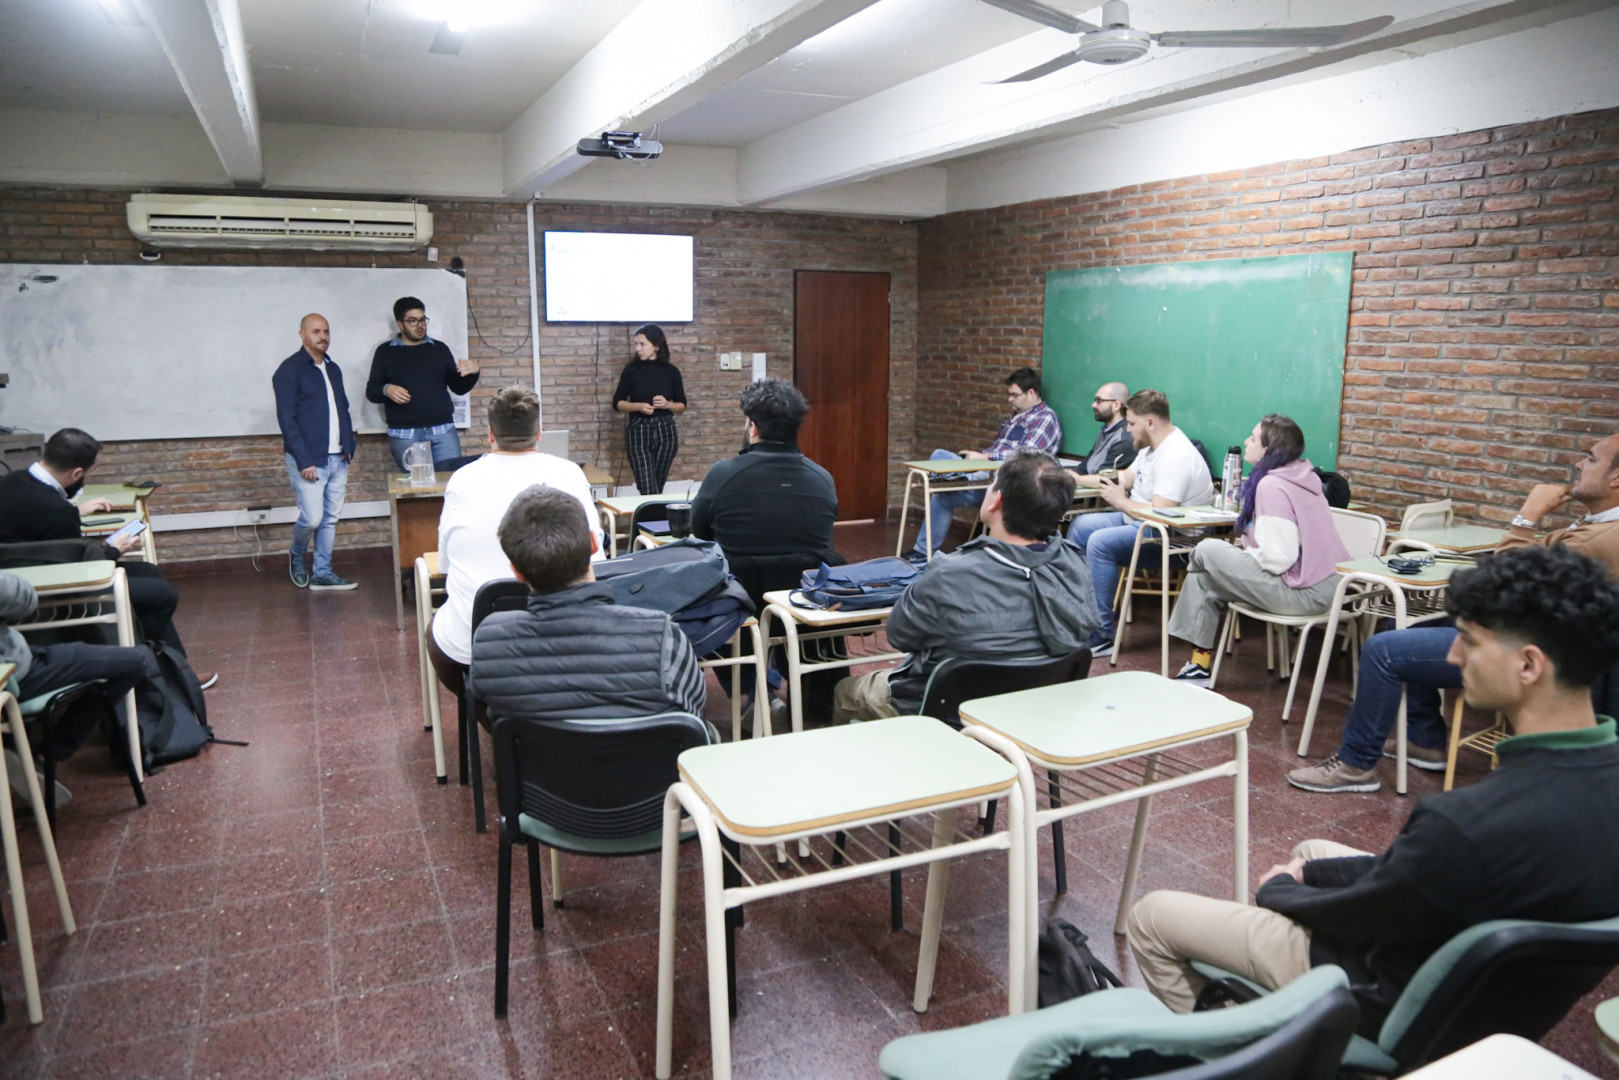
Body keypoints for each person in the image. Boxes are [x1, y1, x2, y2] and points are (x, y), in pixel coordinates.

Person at [1126, 544, 1619, 1038]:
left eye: (1467, 639)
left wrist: (1279, 888)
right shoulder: (1591, 779)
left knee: (1152, 918)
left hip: (1393, 996)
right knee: (1310, 850)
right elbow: (1411, 879)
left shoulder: (1464, 821)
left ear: (1529, 666)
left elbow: (1366, 918)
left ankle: (1254, 1058)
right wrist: (1310, 870)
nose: (1452, 654)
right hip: (1489, 993)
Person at [1288, 430, 1619, 792]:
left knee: (1383, 651)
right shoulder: (1598, 524)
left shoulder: (1600, 540)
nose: (1578, 463)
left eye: (1589, 457)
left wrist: (1527, 516)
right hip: (1527, 631)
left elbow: (1505, 588)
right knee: (1397, 623)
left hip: (1523, 649)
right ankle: (1425, 741)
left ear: (1615, 477)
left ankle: (1354, 764)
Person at [834, 450, 1099, 722]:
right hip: (1031, 713)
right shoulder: (1077, 564)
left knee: (846, 692)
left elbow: (900, 636)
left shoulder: (948, 573)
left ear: (996, 500)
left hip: (943, 713)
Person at [470, 486, 705, 723]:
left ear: (517, 572)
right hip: (642, 759)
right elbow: (693, 713)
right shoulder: (662, 636)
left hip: (542, 759)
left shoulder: (489, 644)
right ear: (594, 544)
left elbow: (492, 715)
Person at [0, 427, 213, 686]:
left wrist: (75, 511)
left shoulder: (11, 482)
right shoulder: (56, 511)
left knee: (148, 572)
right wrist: (114, 551)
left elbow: (32, 527)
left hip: (15, 580)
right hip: (55, 595)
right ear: (77, 473)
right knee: (162, 595)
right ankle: (160, 672)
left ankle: (174, 665)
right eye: (89, 473)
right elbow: (81, 574)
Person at [426, 387, 603, 696]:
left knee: (437, 631)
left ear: (490, 434)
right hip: (571, 638)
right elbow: (597, 555)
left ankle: (500, 723)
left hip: (478, 648)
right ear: (539, 432)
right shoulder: (569, 473)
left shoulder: (463, 479)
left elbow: (443, 564)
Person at [1166, 415, 1349, 684]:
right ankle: (1199, 666)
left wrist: (1245, 554)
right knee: (1203, 578)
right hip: (1333, 588)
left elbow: (1278, 558)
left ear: (1268, 449)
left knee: (1206, 549)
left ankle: (1199, 665)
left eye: (1252, 438)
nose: (1246, 442)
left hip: (1304, 594)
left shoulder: (1272, 485)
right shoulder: (1303, 476)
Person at [1064, 389, 1215, 657]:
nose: (1128, 430)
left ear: (1150, 423)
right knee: (1080, 526)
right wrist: (1079, 478)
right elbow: (1124, 479)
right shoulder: (1150, 448)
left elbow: (1162, 514)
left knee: (1100, 543)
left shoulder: (1176, 456)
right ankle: (1079, 615)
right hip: (1141, 523)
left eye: (1131, 423)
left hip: (1173, 540)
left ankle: (1102, 633)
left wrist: (1121, 502)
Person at [3, 569, 155, 802]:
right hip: (16, 672)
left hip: (14, 661)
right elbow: (24, 600)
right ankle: (55, 745)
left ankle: (23, 743)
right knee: (135, 662)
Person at [906, 367, 1063, 561]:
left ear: (1031, 392)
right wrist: (981, 455)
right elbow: (1000, 449)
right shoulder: (1015, 418)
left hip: (1011, 487)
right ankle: (923, 552)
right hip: (990, 477)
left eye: (1014, 395)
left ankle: (958, 474)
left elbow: (1026, 455)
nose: (1010, 400)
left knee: (942, 465)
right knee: (941, 477)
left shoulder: (1045, 418)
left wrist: (985, 459)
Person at [272, 313, 358, 592]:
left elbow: (341, 409)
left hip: (338, 457)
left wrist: (349, 443)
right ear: (303, 335)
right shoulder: (289, 370)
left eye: (326, 331)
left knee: (330, 519)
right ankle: (297, 555)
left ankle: (323, 571)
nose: (323, 337)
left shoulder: (333, 368)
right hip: (309, 459)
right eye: (316, 331)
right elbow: (287, 420)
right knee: (312, 518)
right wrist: (303, 459)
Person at [365, 296, 480, 472]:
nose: (420, 325)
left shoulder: (439, 349)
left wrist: (474, 372)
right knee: (417, 489)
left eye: (422, 319)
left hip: (443, 431)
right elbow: (372, 391)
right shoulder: (385, 352)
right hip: (405, 434)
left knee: (450, 482)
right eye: (412, 321)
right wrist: (387, 389)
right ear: (400, 324)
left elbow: (459, 387)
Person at [612, 324, 686, 495]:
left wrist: (667, 405)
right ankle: (655, 519)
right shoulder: (631, 371)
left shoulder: (672, 372)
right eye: (636, 344)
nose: (638, 349)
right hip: (639, 429)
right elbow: (617, 403)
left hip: (665, 431)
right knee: (647, 486)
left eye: (642, 344)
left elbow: (682, 405)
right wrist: (638, 406)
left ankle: (650, 520)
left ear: (656, 346)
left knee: (657, 486)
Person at [1072, 381, 1137, 480]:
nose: (1093, 405)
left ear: (1116, 405)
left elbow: (1103, 478)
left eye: (1099, 401)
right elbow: (1085, 467)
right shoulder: (1105, 431)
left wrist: (1075, 478)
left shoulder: (1124, 439)